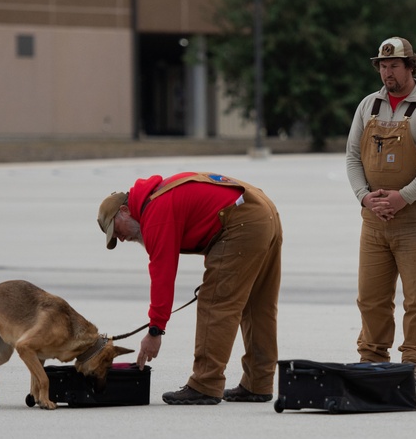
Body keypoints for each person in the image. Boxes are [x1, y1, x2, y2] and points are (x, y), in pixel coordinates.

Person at [97, 172, 282, 405]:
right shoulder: (159, 195)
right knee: (258, 305)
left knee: (215, 302)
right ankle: (259, 382)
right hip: (263, 211)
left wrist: (155, 330)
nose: (121, 239)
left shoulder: (154, 212)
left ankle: (205, 384)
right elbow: (205, 217)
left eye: (116, 230)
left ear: (124, 211)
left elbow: (163, 276)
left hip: (241, 220)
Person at [345, 37, 416, 386]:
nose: (387, 71)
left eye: (394, 65)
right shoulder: (368, 106)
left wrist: (403, 197)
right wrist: (365, 197)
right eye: (382, 65)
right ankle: (372, 356)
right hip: (374, 219)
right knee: (371, 296)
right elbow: (351, 157)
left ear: (411, 67)